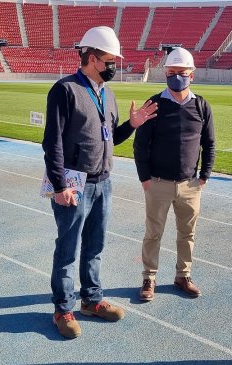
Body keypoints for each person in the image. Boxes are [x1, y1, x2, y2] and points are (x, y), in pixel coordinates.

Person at [42, 26, 158, 339]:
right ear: (92, 58)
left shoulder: (106, 93)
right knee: (67, 248)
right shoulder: (64, 90)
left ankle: (91, 300)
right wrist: (59, 185)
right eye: (110, 60)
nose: (114, 66)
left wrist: (131, 126)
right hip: (74, 182)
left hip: (103, 181)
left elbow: (111, 137)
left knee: (95, 246)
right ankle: (63, 308)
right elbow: (51, 143)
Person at [133, 47, 215, 302]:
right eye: (171, 72)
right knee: (153, 234)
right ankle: (149, 278)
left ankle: (183, 275)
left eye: (181, 72)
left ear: (192, 75)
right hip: (157, 183)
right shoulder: (154, 104)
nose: (176, 76)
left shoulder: (201, 105)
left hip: (190, 185)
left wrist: (205, 175)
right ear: (165, 73)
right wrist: (144, 178)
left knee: (187, 234)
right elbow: (140, 144)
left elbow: (209, 143)